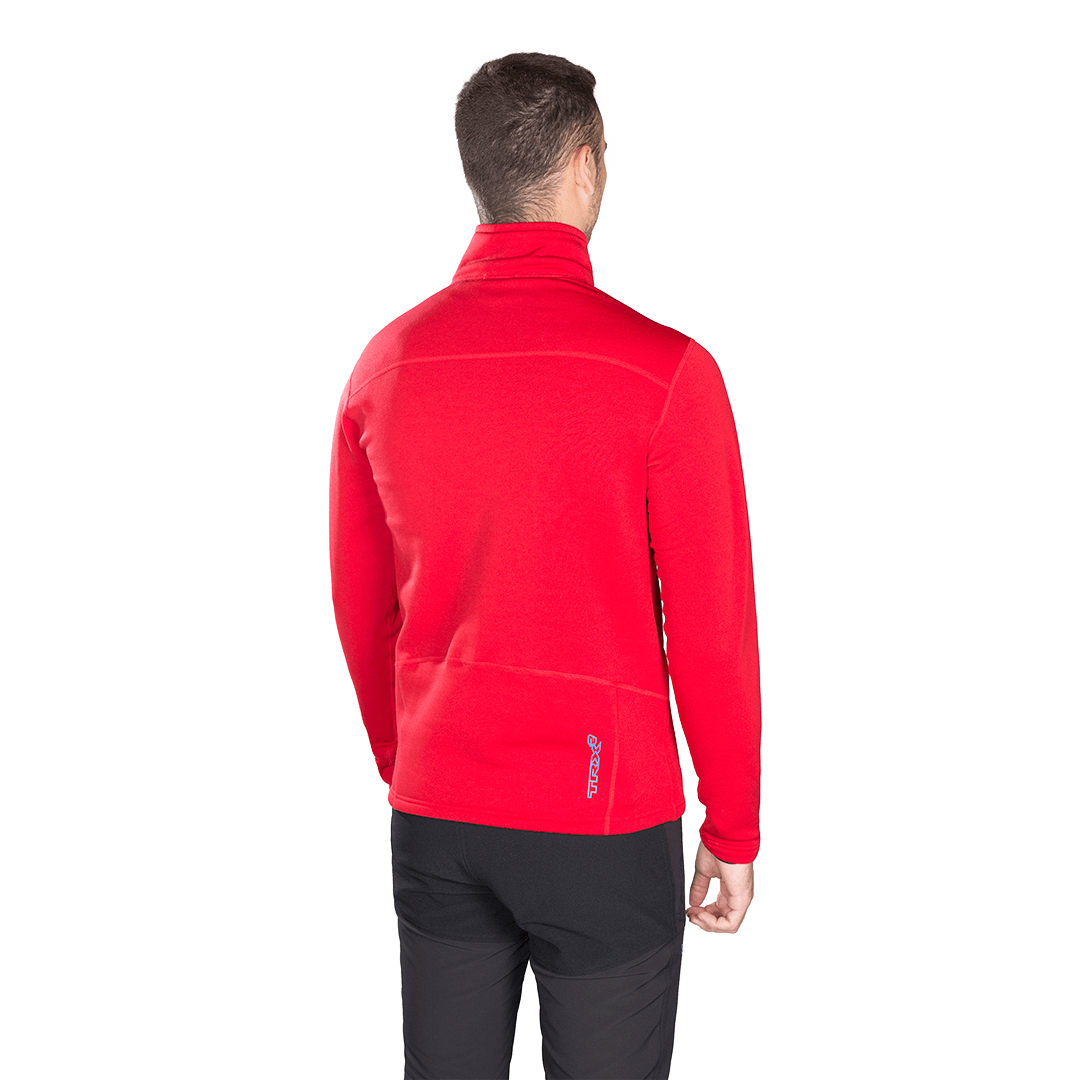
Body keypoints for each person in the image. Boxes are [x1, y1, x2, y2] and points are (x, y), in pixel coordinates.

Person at [328, 50, 761, 1080]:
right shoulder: (668, 372)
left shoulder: (384, 365)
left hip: (437, 808)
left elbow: (359, 604)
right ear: (583, 166)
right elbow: (712, 629)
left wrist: (407, 762)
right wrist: (734, 827)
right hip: (603, 820)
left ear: (473, 171)